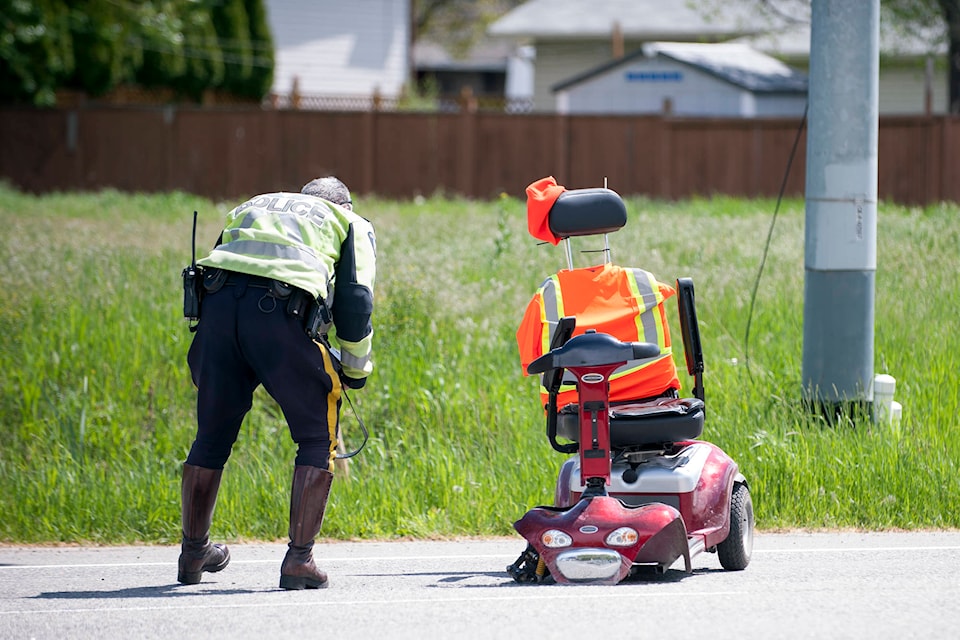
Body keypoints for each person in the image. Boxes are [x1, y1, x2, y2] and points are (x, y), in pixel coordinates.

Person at [178, 176, 376, 590]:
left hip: (215, 315)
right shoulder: (349, 221)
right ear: (347, 204)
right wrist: (355, 371)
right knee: (316, 438)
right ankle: (299, 561)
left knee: (211, 437)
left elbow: (224, 261)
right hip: (279, 313)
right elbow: (355, 299)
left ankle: (193, 551)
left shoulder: (254, 203)